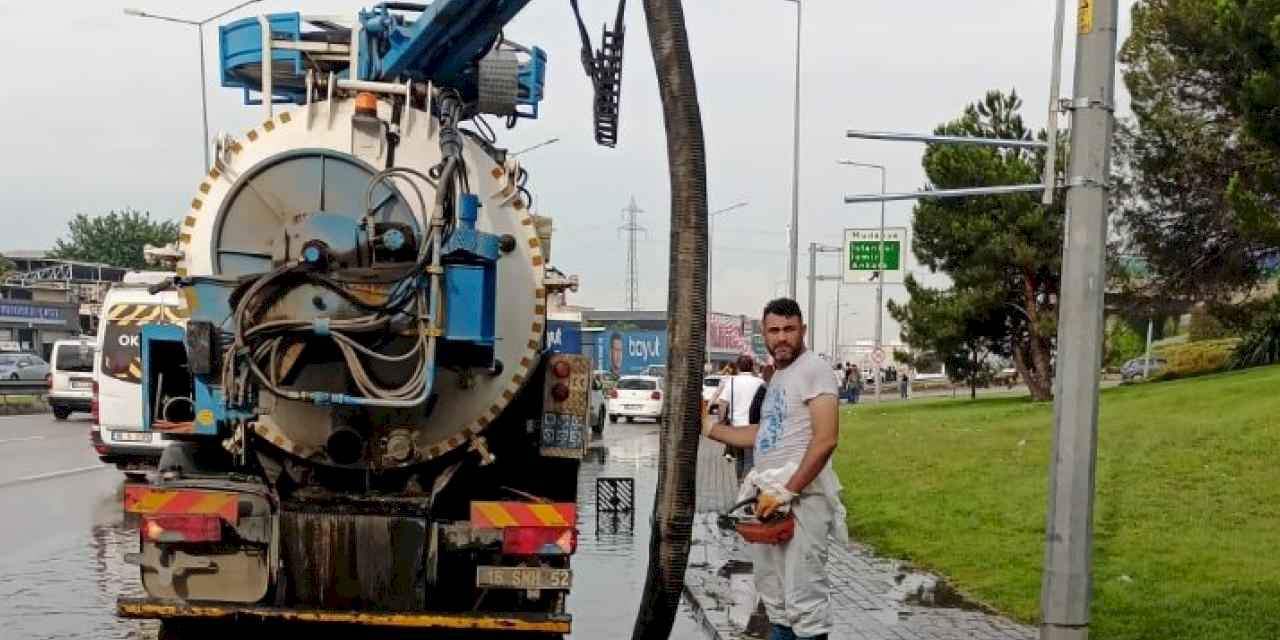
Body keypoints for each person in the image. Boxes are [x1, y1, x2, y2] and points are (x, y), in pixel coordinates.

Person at [702, 298, 844, 640]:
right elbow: (765, 435)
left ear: (803, 331)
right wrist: (709, 428)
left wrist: (787, 490)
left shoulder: (814, 369)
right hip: (771, 501)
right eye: (774, 330)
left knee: (803, 601)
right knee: (776, 600)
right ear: (764, 334)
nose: (782, 338)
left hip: (802, 500)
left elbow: (825, 440)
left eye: (789, 330)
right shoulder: (779, 376)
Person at [716, 354, 765, 480]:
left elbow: (722, 405)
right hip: (753, 428)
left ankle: (740, 486)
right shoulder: (759, 382)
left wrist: (721, 423)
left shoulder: (731, 382)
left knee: (740, 460)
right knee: (750, 460)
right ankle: (745, 488)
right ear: (752, 366)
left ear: (737, 367)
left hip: (735, 428)